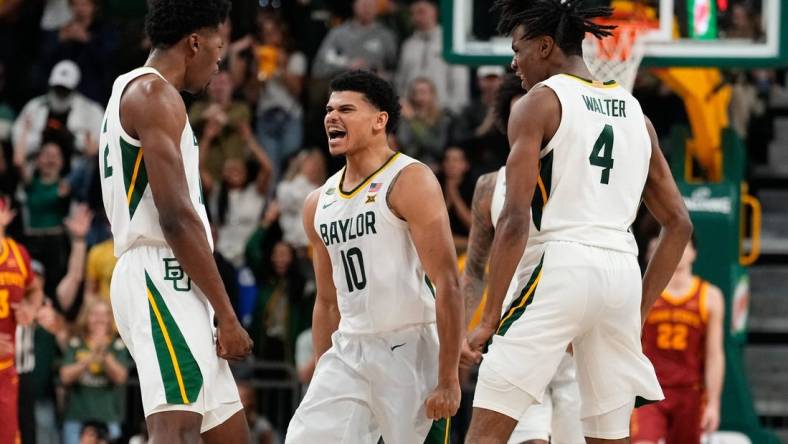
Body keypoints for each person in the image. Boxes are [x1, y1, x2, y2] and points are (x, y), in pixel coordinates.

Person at [463, 0, 694, 443]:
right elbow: (679, 224)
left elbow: (514, 220)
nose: (514, 63)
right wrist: (638, 312)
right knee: (608, 436)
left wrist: (490, 316)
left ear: (546, 46)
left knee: (488, 431)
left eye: (518, 49)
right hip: (622, 272)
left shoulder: (538, 104)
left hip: (561, 264)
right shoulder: (636, 114)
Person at [97, 0, 253, 442]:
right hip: (159, 273)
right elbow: (176, 218)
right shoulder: (154, 95)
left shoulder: (128, 90)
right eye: (218, 48)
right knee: (176, 430)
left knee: (228, 434)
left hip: (176, 276)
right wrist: (228, 314)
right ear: (195, 42)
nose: (220, 60)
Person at [285, 70, 463, 444]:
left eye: (346, 109)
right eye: (329, 109)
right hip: (349, 347)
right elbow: (327, 302)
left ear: (380, 120)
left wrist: (448, 379)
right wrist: (323, 370)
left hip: (409, 347)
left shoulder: (409, 178)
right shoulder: (318, 202)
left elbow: (448, 282)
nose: (332, 117)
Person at [461, 73, 584, 444]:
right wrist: (463, 335)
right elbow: (474, 273)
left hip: (572, 339)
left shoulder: (580, 175)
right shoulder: (488, 187)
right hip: (516, 335)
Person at [631, 237, 725, 444]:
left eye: (681, 245)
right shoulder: (641, 293)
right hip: (649, 389)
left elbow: (714, 356)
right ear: (649, 255)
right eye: (658, 248)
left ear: (694, 253)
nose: (672, 251)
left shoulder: (709, 296)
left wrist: (714, 403)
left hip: (689, 392)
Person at [0, 195, 44, 444]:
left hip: (8, 366)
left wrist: (31, 307)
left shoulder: (18, 254)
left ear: (6, 216)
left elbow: (34, 289)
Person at [60, 299, 130, 444]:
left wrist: (104, 354)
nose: (100, 319)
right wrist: (90, 357)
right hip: (76, 418)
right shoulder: (76, 343)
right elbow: (65, 376)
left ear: (111, 318)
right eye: (95, 314)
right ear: (86, 317)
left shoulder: (117, 345)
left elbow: (120, 377)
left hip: (108, 418)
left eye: (104, 314)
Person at [395, 0, 469, 114]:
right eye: (413, 13)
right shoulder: (408, 45)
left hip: (443, 112)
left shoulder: (449, 42)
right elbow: (400, 81)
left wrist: (452, 110)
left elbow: (460, 81)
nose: (417, 17)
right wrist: (401, 105)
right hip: (411, 115)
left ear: (434, 12)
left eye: (421, 12)